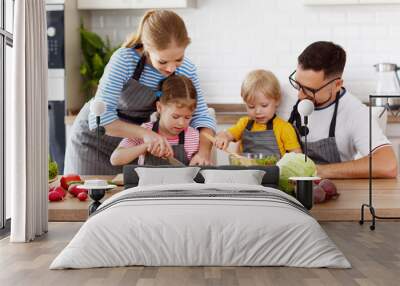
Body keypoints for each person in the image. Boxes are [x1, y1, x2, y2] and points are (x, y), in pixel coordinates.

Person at [64, 10, 216, 175]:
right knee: (88, 197)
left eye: (178, 59)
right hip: (96, 140)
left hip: (134, 144)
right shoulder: (124, 60)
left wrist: (204, 152)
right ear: (146, 48)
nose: (172, 68)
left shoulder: (187, 69)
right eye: (163, 61)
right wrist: (146, 134)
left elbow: (201, 117)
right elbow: (102, 119)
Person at [288, 41, 397, 179]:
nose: (300, 95)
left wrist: (316, 171)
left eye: (309, 90)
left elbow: (387, 164)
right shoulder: (286, 97)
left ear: (337, 84)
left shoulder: (355, 112)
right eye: (297, 84)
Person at [110, 75, 199, 166]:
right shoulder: (145, 131)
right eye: (175, 116)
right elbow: (115, 159)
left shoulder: (193, 136)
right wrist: (145, 146)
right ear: (159, 107)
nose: (181, 123)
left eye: (187, 117)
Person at [214, 69, 302, 159]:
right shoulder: (244, 124)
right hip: (247, 171)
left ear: (277, 100)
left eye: (264, 105)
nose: (258, 112)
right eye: (251, 106)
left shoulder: (284, 128)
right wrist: (223, 136)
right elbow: (228, 135)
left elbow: (297, 157)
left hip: (275, 172)